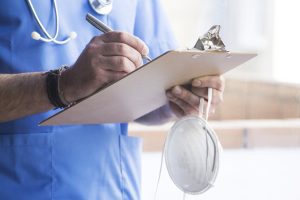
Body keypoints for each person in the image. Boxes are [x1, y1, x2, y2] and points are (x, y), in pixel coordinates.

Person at [0, 0, 225, 199]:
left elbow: (152, 87)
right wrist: (61, 85)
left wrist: (180, 98)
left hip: (112, 186)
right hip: (21, 187)